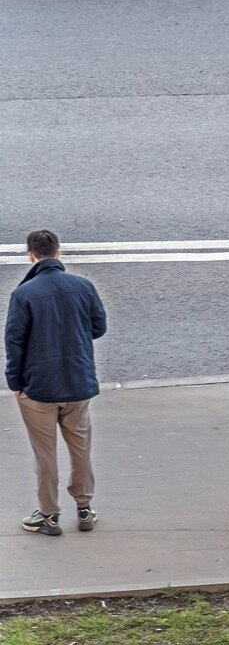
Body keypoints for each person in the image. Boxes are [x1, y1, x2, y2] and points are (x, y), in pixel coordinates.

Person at [5, 230, 106, 536]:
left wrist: (15, 382)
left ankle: (49, 516)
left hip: (39, 388)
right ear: (58, 253)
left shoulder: (23, 294)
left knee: (45, 454)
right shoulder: (83, 286)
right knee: (81, 447)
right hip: (78, 383)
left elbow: (14, 342)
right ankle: (84, 508)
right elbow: (98, 327)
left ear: (31, 256)